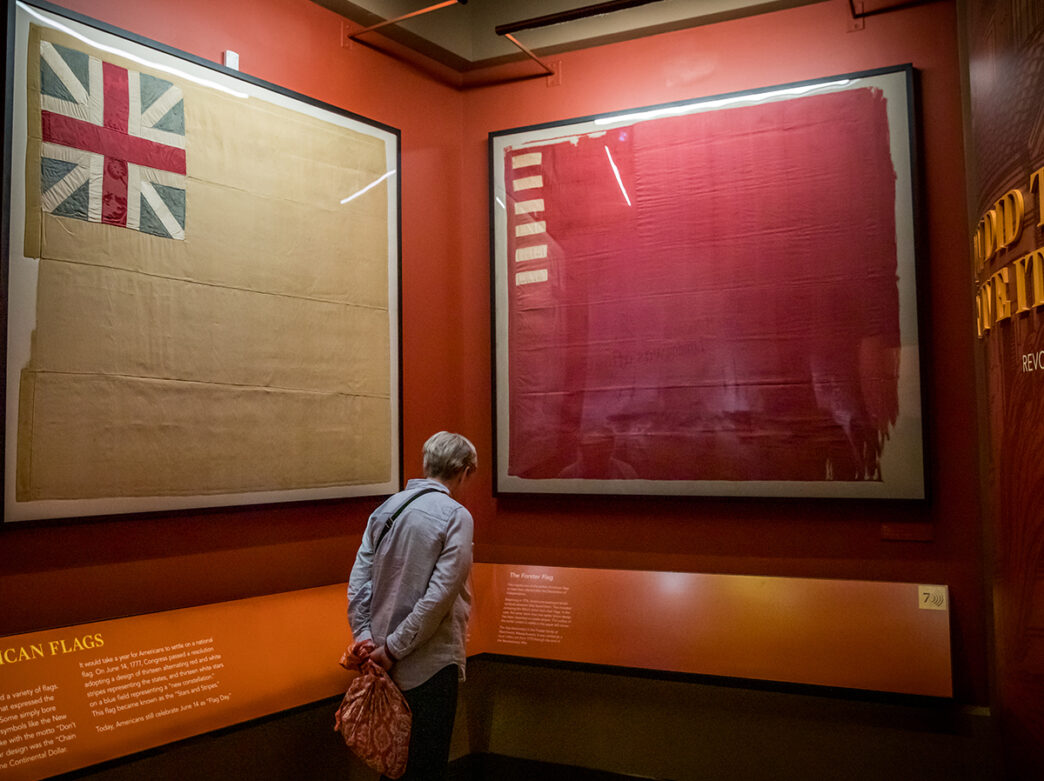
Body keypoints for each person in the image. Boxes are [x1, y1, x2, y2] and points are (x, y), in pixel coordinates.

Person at [348, 431, 477, 781]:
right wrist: (394, 649)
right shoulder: (456, 516)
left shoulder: (386, 508)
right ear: (464, 471)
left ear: (426, 463)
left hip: (380, 663)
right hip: (430, 663)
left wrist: (366, 639)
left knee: (395, 764)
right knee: (426, 764)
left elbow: (359, 583)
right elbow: (440, 596)